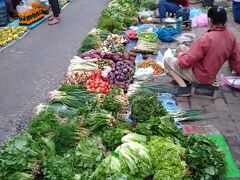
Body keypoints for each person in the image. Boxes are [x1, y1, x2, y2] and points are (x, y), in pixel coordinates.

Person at [164, 6, 240, 96]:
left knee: (167, 61)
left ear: (209, 20)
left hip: (200, 75)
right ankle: (182, 78)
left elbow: (185, 63)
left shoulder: (208, 38)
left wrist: (181, 56)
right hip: (210, 72)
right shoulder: (231, 37)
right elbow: (236, 62)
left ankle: (184, 88)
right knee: (180, 47)